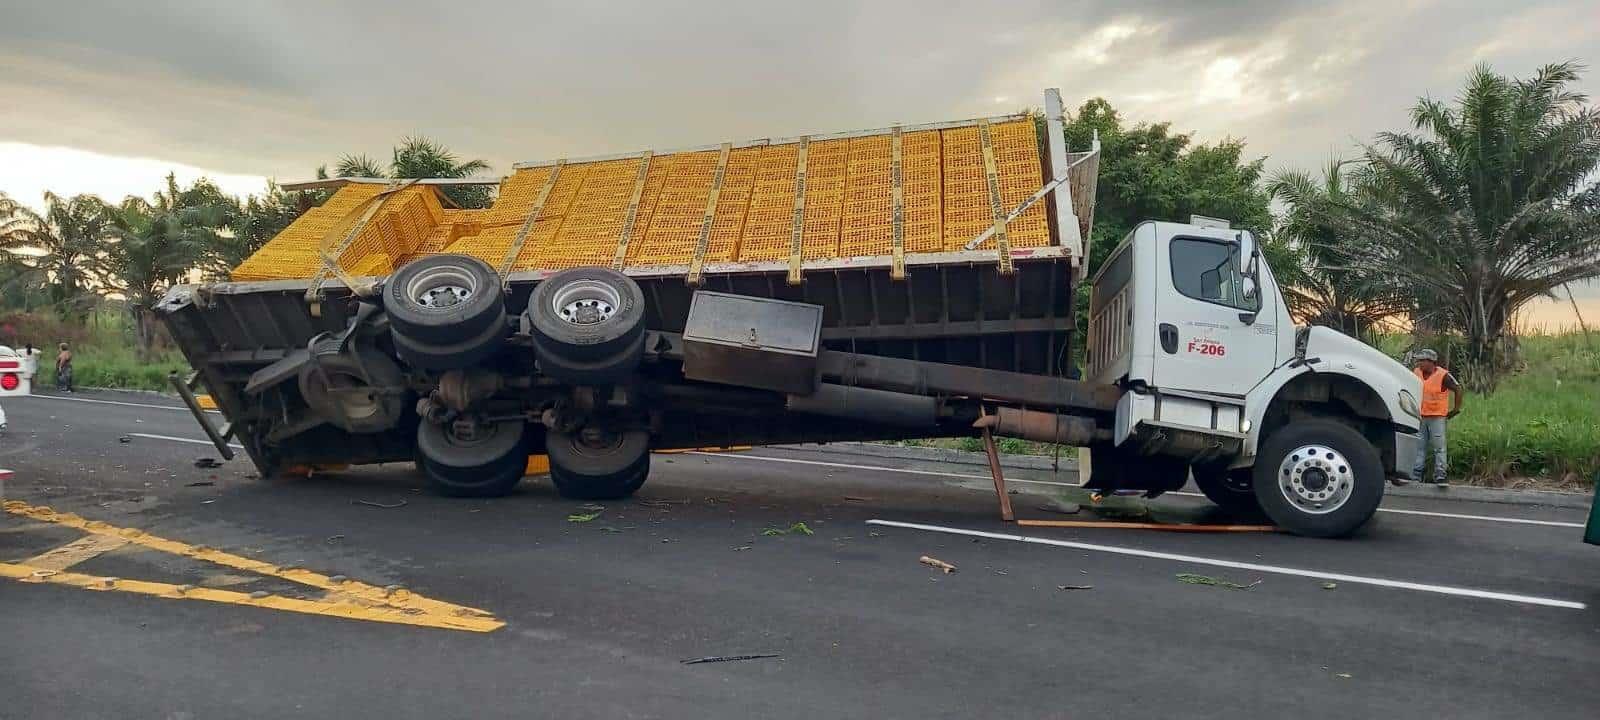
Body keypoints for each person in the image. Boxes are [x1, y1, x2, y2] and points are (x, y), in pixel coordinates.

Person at [1404, 348, 1462, 487]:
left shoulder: (1444, 376)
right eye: (1419, 360)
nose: (1419, 363)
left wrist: (1455, 409)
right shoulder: (1416, 372)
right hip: (1420, 416)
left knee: (1439, 447)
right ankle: (1415, 475)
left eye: (1422, 361)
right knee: (1419, 446)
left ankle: (1440, 475)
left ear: (1431, 362)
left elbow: (1458, 389)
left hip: (1437, 417)